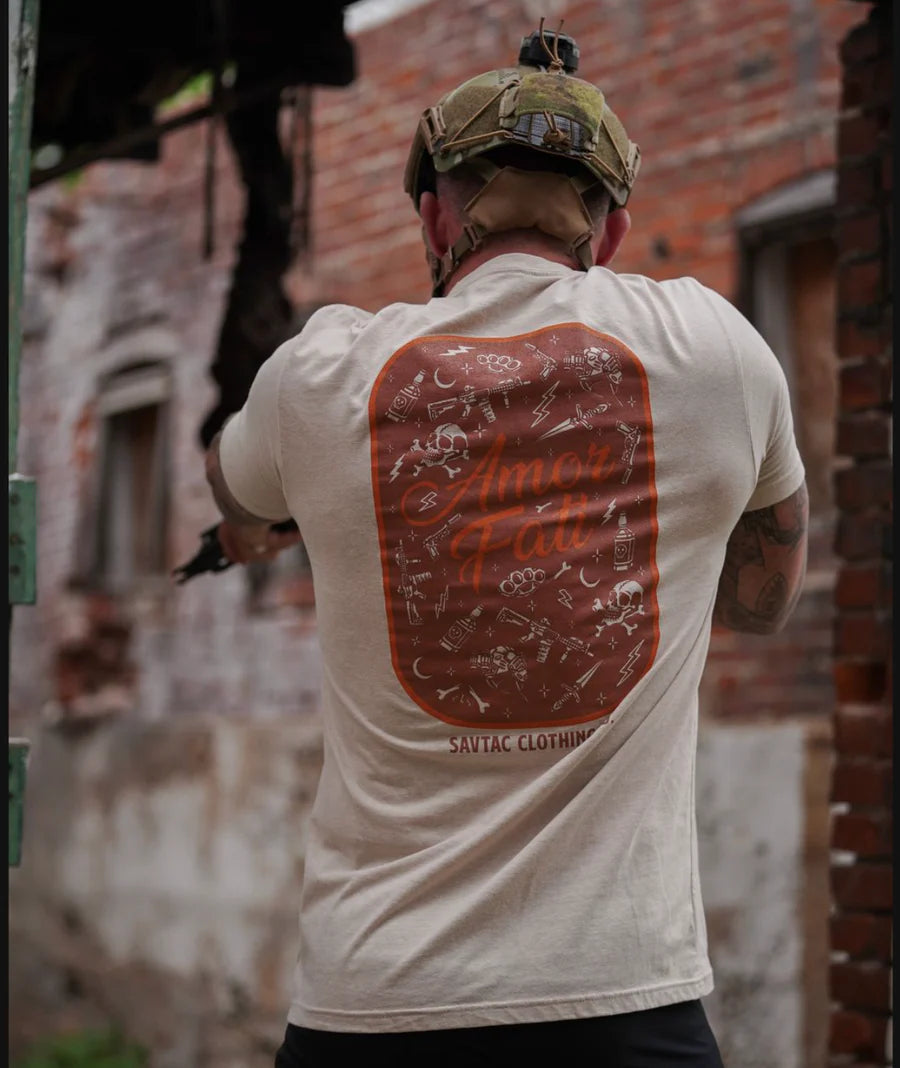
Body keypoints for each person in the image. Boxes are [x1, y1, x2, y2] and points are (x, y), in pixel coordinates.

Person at [204, 25, 808, 1068]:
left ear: (435, 217)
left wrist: (275, 517)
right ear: (611, 232)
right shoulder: (717, 351)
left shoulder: (319, 376)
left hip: (374, 1008)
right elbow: (764, 601)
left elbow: (232, 486)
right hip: (624, 1005)